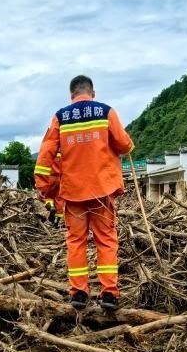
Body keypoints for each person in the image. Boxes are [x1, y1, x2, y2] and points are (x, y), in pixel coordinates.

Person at [34, 75, 135, 311]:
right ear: (93, 93)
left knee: (76, 242)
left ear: (72, 95)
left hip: (73, 193)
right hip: (102, 191)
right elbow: (124, 145)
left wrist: (42, 186)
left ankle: (79, 293)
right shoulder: (106, 112)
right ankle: (109, 294)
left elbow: (46, 153)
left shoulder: (61, 117)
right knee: (106, 241)